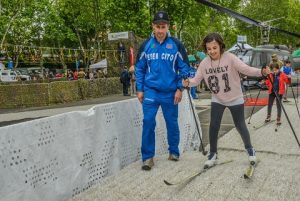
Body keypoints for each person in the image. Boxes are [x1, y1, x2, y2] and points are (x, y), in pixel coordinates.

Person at [183, 32, 270, 168]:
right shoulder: (204, 63)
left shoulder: (230, 58)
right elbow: (196, 80)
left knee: (240, 125)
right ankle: (213, 154)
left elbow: (246, 69)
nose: (211, 51)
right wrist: (188, 82)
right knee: (213, 126)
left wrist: (262, 72)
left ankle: (250, 149)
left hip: (235, 97)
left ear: (221, 46)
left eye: (214, 47)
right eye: (209, 49)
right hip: (218, 98)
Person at [135, 11, 191, 170]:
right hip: (150, 91)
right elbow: (140, 68)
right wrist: (140, 89)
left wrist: (180, 88)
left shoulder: (176, 44)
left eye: (163, 27)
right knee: (148, 122)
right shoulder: (146, 45)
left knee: (172, 123)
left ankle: (174, 151)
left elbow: (185, 69)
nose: (160, 30)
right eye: (157, 27)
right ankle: (147, 158)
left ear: (168, 27)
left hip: (170, 92)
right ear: (153, 26)